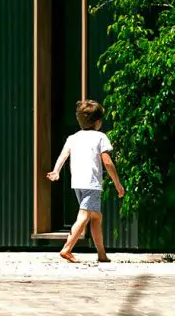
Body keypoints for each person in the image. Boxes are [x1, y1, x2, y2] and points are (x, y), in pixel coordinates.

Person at [45, 99, 125, 263]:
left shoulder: (72, 138)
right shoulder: (100, 137)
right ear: (98, 122)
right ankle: (67, 249)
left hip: (77, 183)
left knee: (96, 217)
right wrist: (118, 184)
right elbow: (107, 162)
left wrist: (56, 171)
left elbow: (63, 155)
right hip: (92, 183)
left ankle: (101, 254)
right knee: (84, 216)